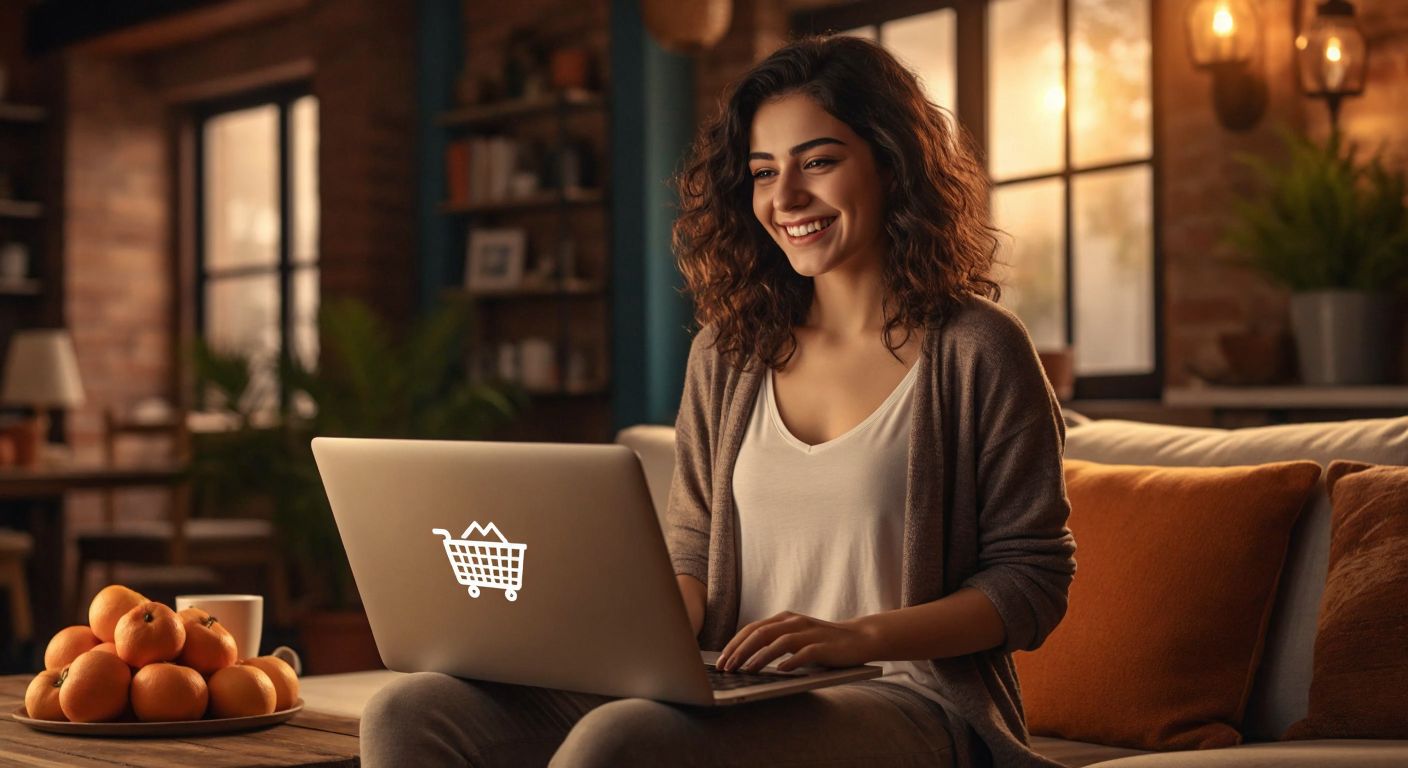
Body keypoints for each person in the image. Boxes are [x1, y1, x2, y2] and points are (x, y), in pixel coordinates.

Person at [361, 34, 1075, 768]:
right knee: (412, 713)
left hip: (909, 699)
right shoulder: (727, 352)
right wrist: (616, 633)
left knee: (623, 743)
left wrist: (857, 636)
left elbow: (1032, 582)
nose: (786, 198)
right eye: (764, 172)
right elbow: (694, 553)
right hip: (734, 688)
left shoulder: (979, 348)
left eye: (819, 162)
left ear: (893, 163)